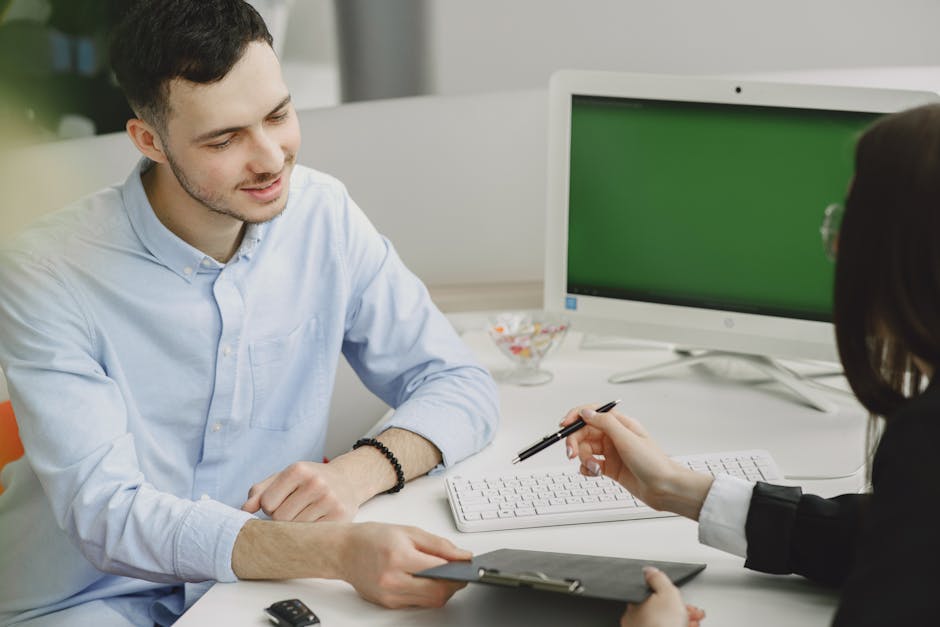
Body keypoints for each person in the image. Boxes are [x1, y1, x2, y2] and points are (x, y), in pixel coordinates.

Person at [0, 1, 499, 624]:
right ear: (149, 140)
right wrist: (333, 552)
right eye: (224, 138)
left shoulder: (324, 216)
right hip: (86, 600)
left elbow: (458, 381)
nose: (269, 158)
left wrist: (359, 472)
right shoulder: (46, 271)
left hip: (260, 588)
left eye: (278, 115)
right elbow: (106, 514)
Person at [563, 102, 940, 626]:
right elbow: (891, 537)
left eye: (851, 220)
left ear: (903, 252)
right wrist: (674, 486)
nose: (836, 242)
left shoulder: (925, 439)